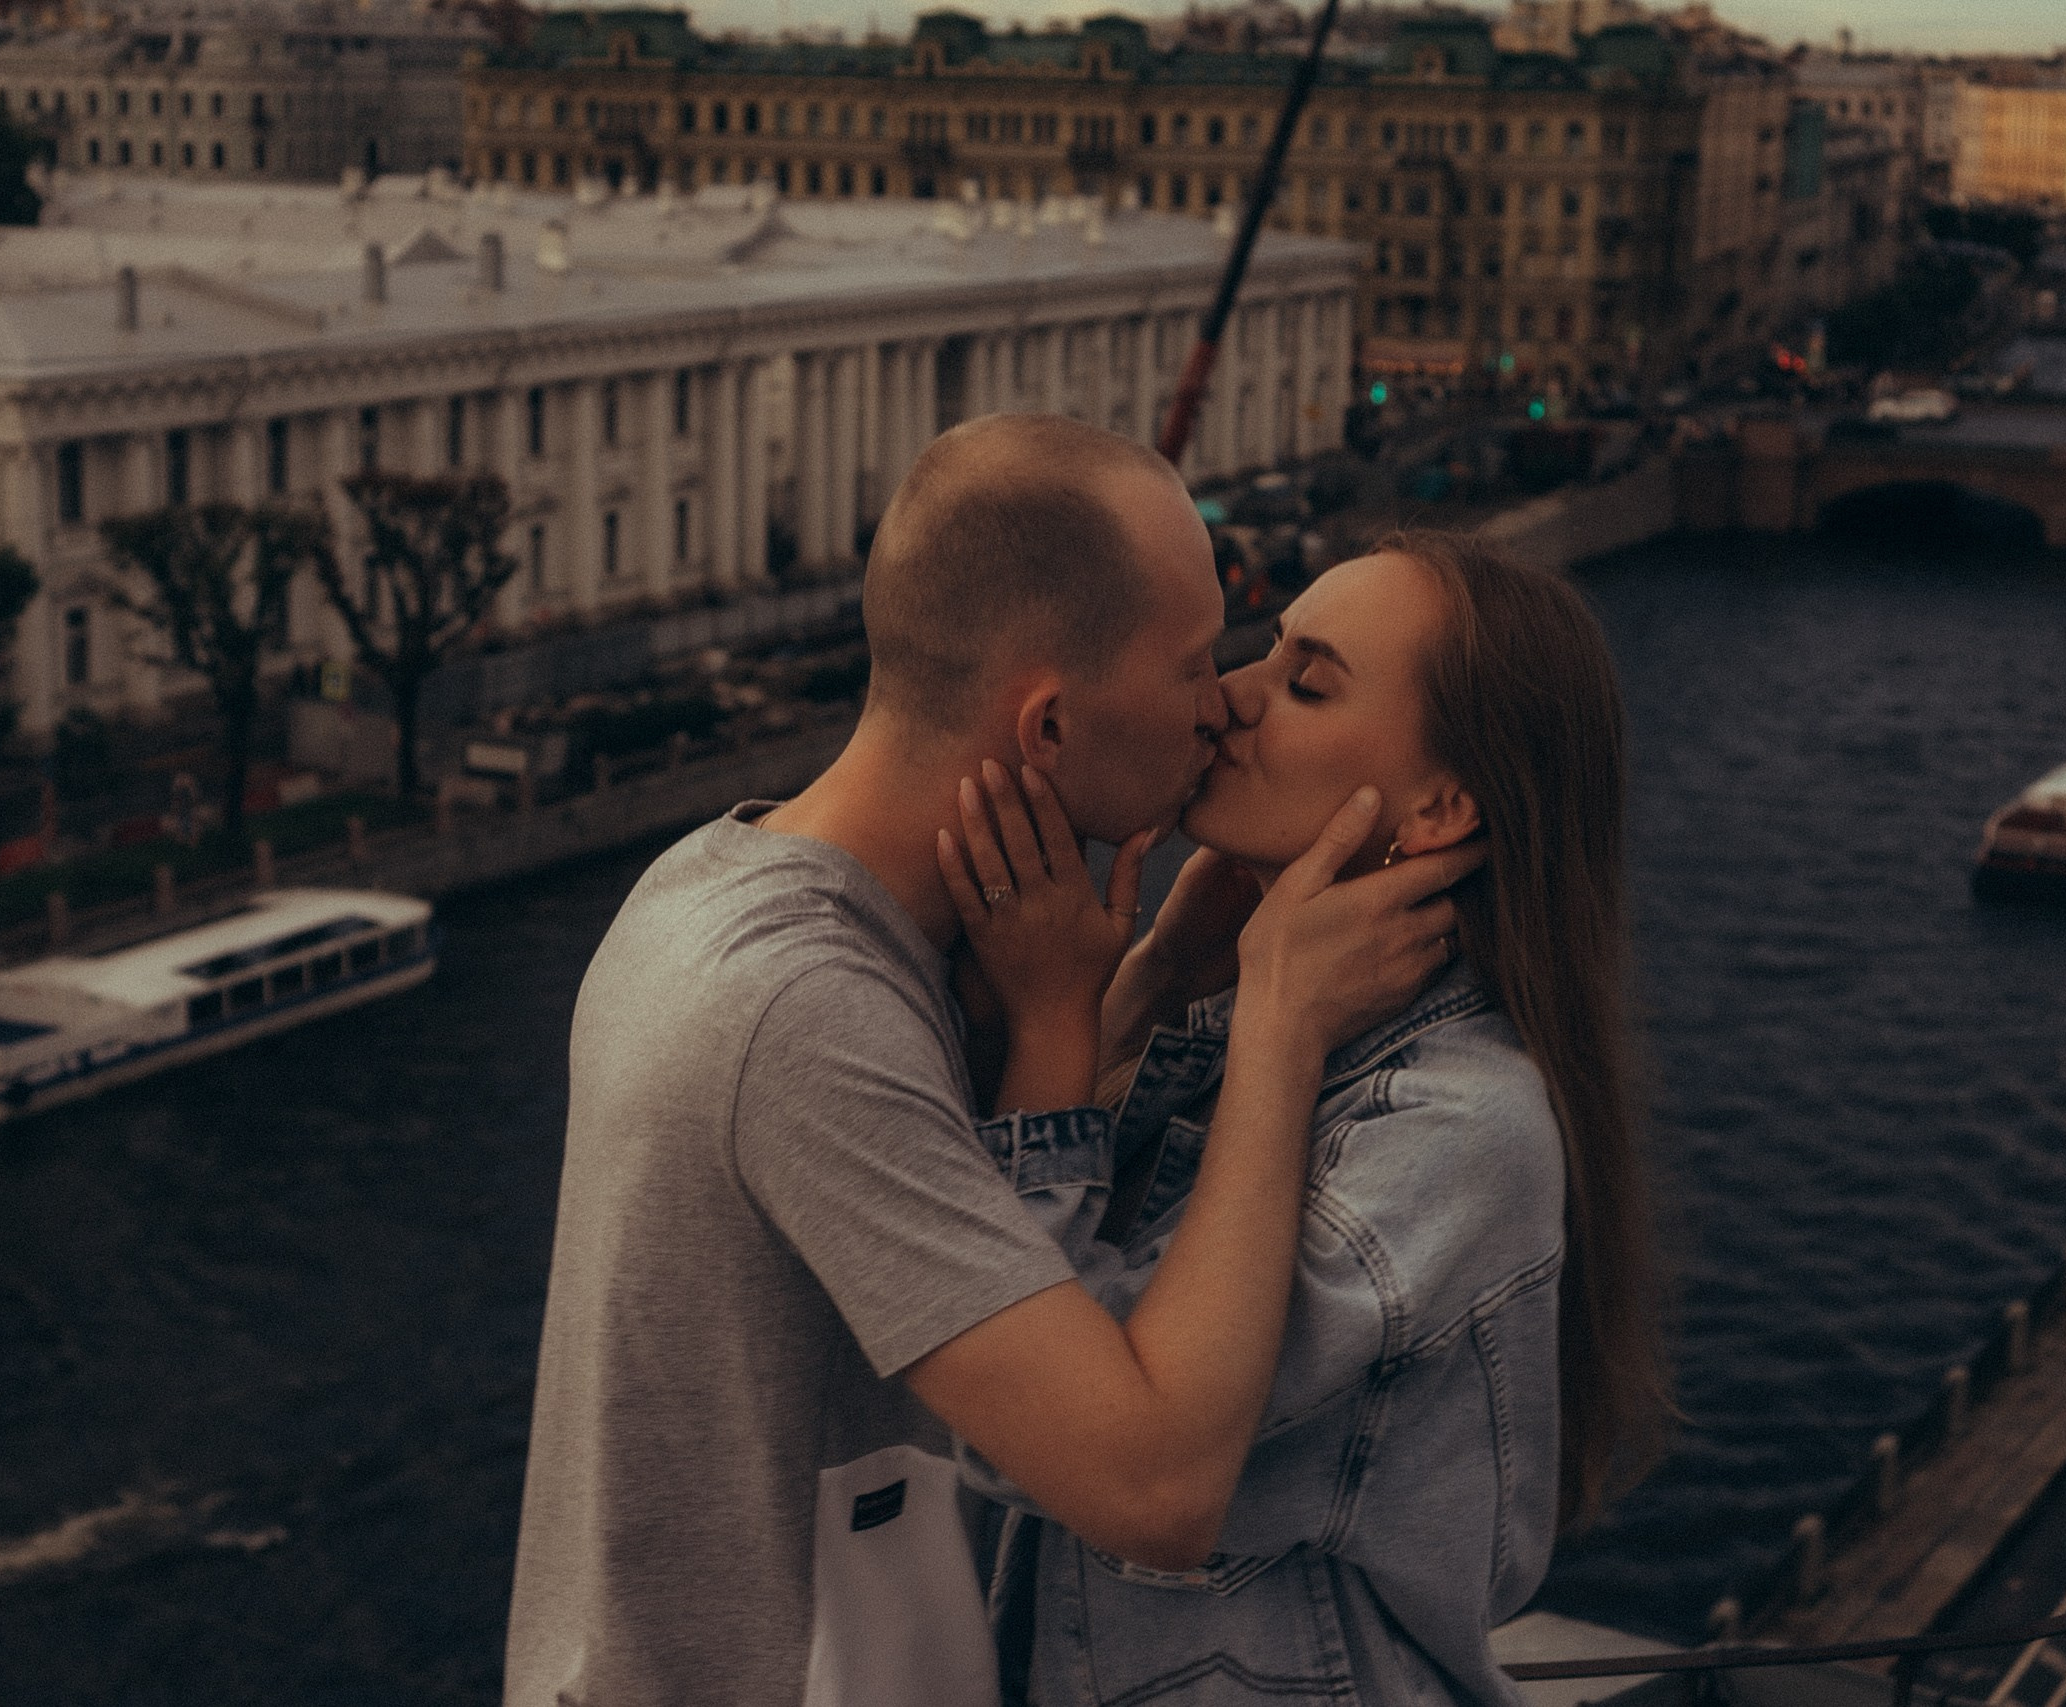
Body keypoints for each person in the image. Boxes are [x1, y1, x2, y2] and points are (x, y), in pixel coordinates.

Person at [501, 417, 1477, 1707]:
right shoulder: (801, 1013)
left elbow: (979, 1244)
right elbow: (1155, 1488)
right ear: (1051, 728)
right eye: (1194, 663)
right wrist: (1281, 1019)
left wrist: (1117, 1005)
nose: (1220, 703)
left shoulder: (711, 886)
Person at [944, 531, 1670, 1706]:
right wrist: (1148, 997)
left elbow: (1027, 1427)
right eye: (1265, 650)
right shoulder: (1261, 1021)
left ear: (1438, 808)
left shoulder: (1457, 1129)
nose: (1226, 700)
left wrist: (1049, 1032)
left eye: (1305, 682)